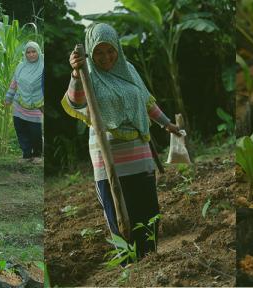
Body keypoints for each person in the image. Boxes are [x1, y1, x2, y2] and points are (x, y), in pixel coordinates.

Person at [64, 23, 183, 260]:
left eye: (110, 50)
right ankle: (130, 267)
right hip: (109, 161)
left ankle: (150, 260)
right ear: (90, 51)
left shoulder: (127, 69)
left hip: (139, 156)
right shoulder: (87, 74)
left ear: (117, 48)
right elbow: (76, 102)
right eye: (98, 51)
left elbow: (146, 102)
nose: (105, 57)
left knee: (149, 210)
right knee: (119, 215)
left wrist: (167, 124)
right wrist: (76, 73)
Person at [5, 41, 45, 164]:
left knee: (35, 131)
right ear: (25, 54)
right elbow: (14, 83)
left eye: (33, 52)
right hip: (19, 102)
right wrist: (8, 97)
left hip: (36, 105)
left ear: (38, 52)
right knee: (20, 129)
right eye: (28, 52)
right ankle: (26, 154)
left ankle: (38, 154)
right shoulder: (20, 66)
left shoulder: (43, 67)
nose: (31, 54)